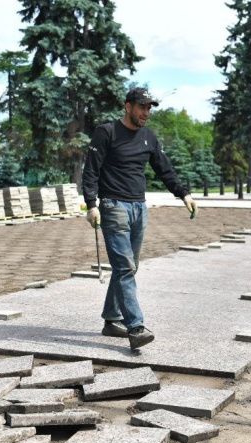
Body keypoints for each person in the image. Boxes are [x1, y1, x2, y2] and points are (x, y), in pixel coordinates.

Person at [82, 87, 197, 350]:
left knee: (129, 267)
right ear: (128, 107)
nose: (146, 113)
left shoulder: (148, 136)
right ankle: (135, 326)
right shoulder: (107, 132)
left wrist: (184, 194)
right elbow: (91, 171)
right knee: (124, 268)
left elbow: (163, 168)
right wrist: (92, 205)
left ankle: (112, 320)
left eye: (149, 108)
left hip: (139, 209)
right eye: (142, 107)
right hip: (114, 208)